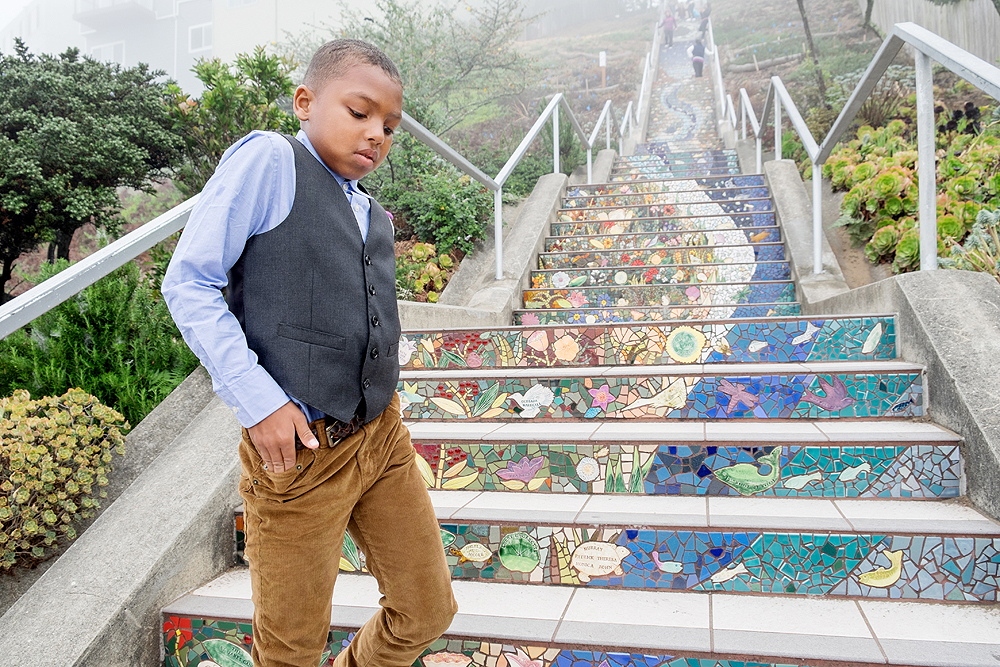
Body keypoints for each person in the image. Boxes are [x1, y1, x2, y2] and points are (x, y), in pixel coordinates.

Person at [162, 39, 457, 667]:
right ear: (305, 101)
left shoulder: (370, 211)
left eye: (390, 126)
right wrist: (259, 401)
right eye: (359, 112)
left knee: (428, 610)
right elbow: (189, 282)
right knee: (290, 651)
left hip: (381, 436)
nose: (376, 133)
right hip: (298, 453)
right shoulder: (271, 160)